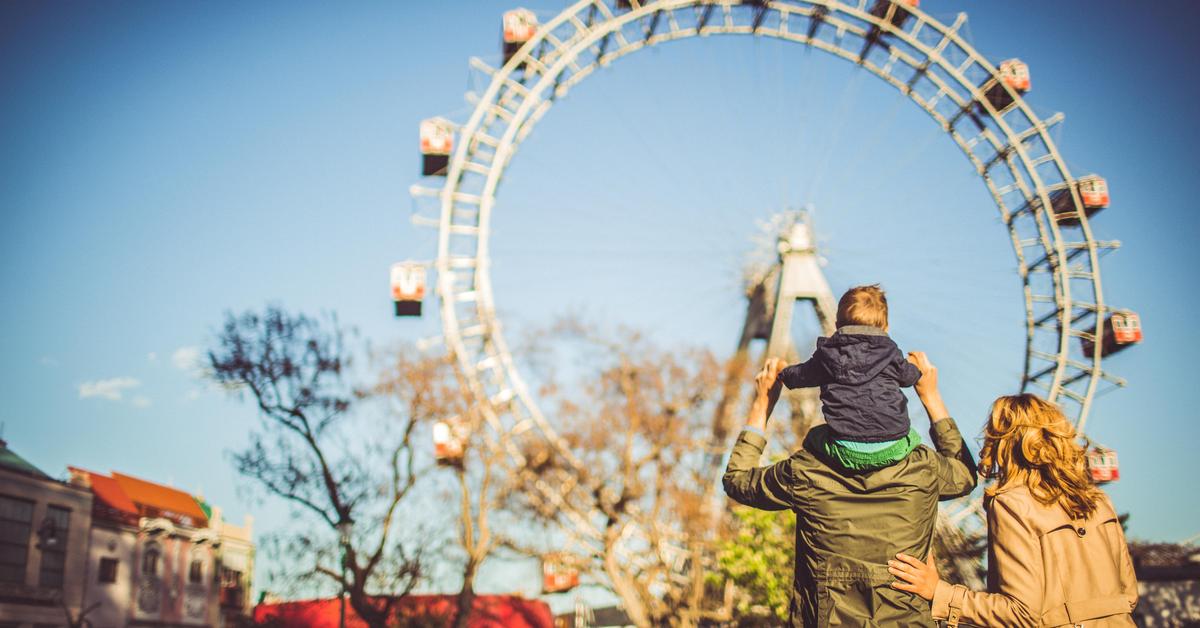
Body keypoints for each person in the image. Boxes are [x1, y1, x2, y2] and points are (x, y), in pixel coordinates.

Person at [723, 352, 976, 627]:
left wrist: (763, 404)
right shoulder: (923, 470)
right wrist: (931, 397)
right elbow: (965, 474)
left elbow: (738, 479)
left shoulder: (806, 470)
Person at [888, 394, 1139, 627]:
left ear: (1001, 443)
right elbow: (1128, 594)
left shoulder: (1012, 504)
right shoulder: (1098, 500)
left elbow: (1022, 612)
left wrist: (939, 593)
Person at [777, 284, 923, 471]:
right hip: (893, 446)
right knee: (913, 436)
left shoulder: (826, 356)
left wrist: (783, 374)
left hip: (845, 450)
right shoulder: (891, 354)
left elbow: (800, 375)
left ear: (837, 326)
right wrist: (917, 368)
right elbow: (909, 378)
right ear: (886, 327)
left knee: (814, 437)